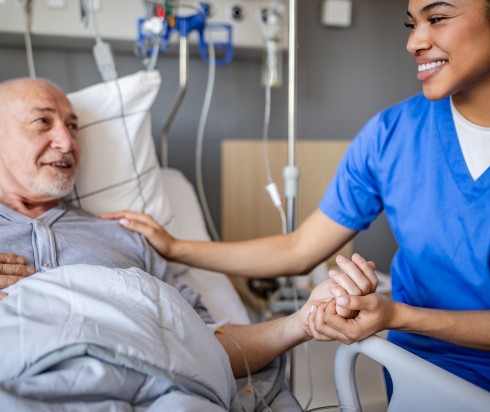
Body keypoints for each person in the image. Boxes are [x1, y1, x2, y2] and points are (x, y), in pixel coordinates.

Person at [99, 0, 490, 393]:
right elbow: (299, 250)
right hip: (426, 372)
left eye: (437, 19)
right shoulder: (392, 135)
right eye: (412, 23)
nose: (414, 42)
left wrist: (397, 315)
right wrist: (175, 247)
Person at [0, 77, 376, 383]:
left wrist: (302, 321)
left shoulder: (125, 236)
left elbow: (205, 346)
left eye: (72, 126)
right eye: (42, 122)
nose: (67, 142)